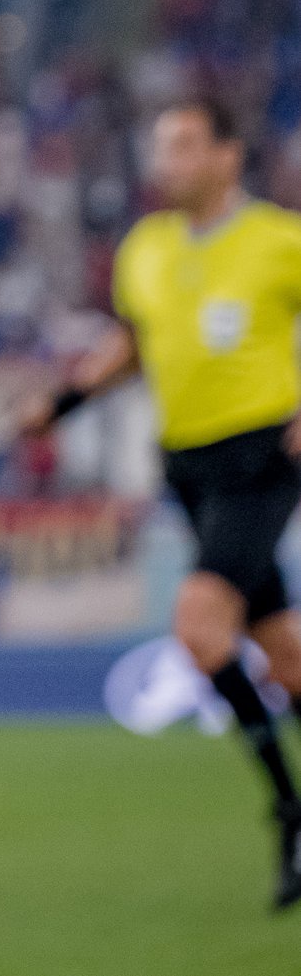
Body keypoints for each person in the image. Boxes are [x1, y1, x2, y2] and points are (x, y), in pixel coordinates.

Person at [23, 96, 301, 909]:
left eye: (183, 145)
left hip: (261, 458)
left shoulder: (278, 239)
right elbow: (135, 345)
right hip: (188, 467)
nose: (165, 162)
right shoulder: (144, 248)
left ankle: (290, 813)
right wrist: (63, 402)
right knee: (282, 655)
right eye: (159, 147)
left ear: (227, 155)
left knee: (200, 627)